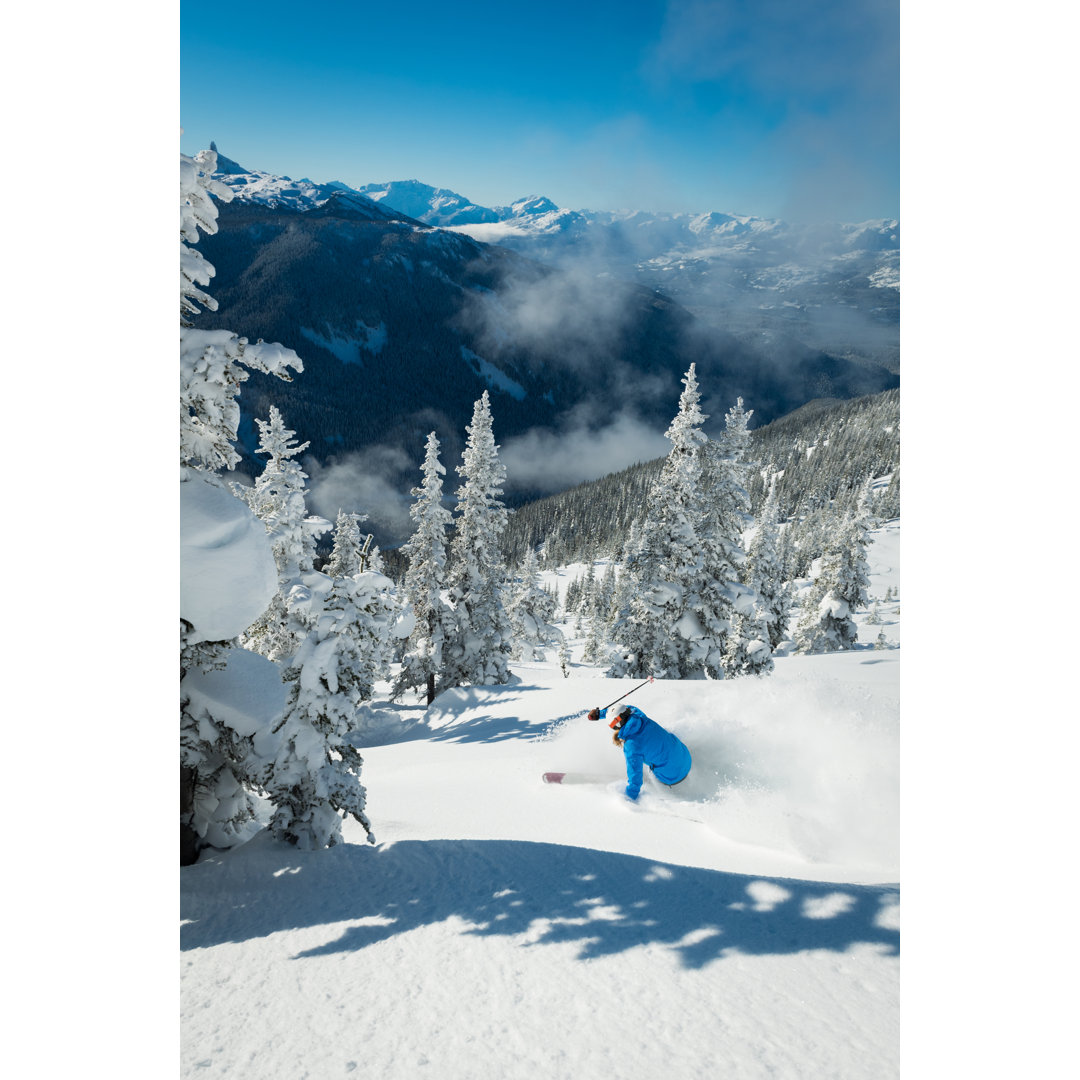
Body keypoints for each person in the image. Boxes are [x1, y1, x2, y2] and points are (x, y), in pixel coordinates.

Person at [586, 704, 692, 801]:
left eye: (613, 727)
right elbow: (627, 708)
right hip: (685, 755)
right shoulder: (639, 716)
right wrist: (600, 714)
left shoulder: (632, 746)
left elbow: (635, 778)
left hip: (673, 776)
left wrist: (629, 797)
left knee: (641, 766)